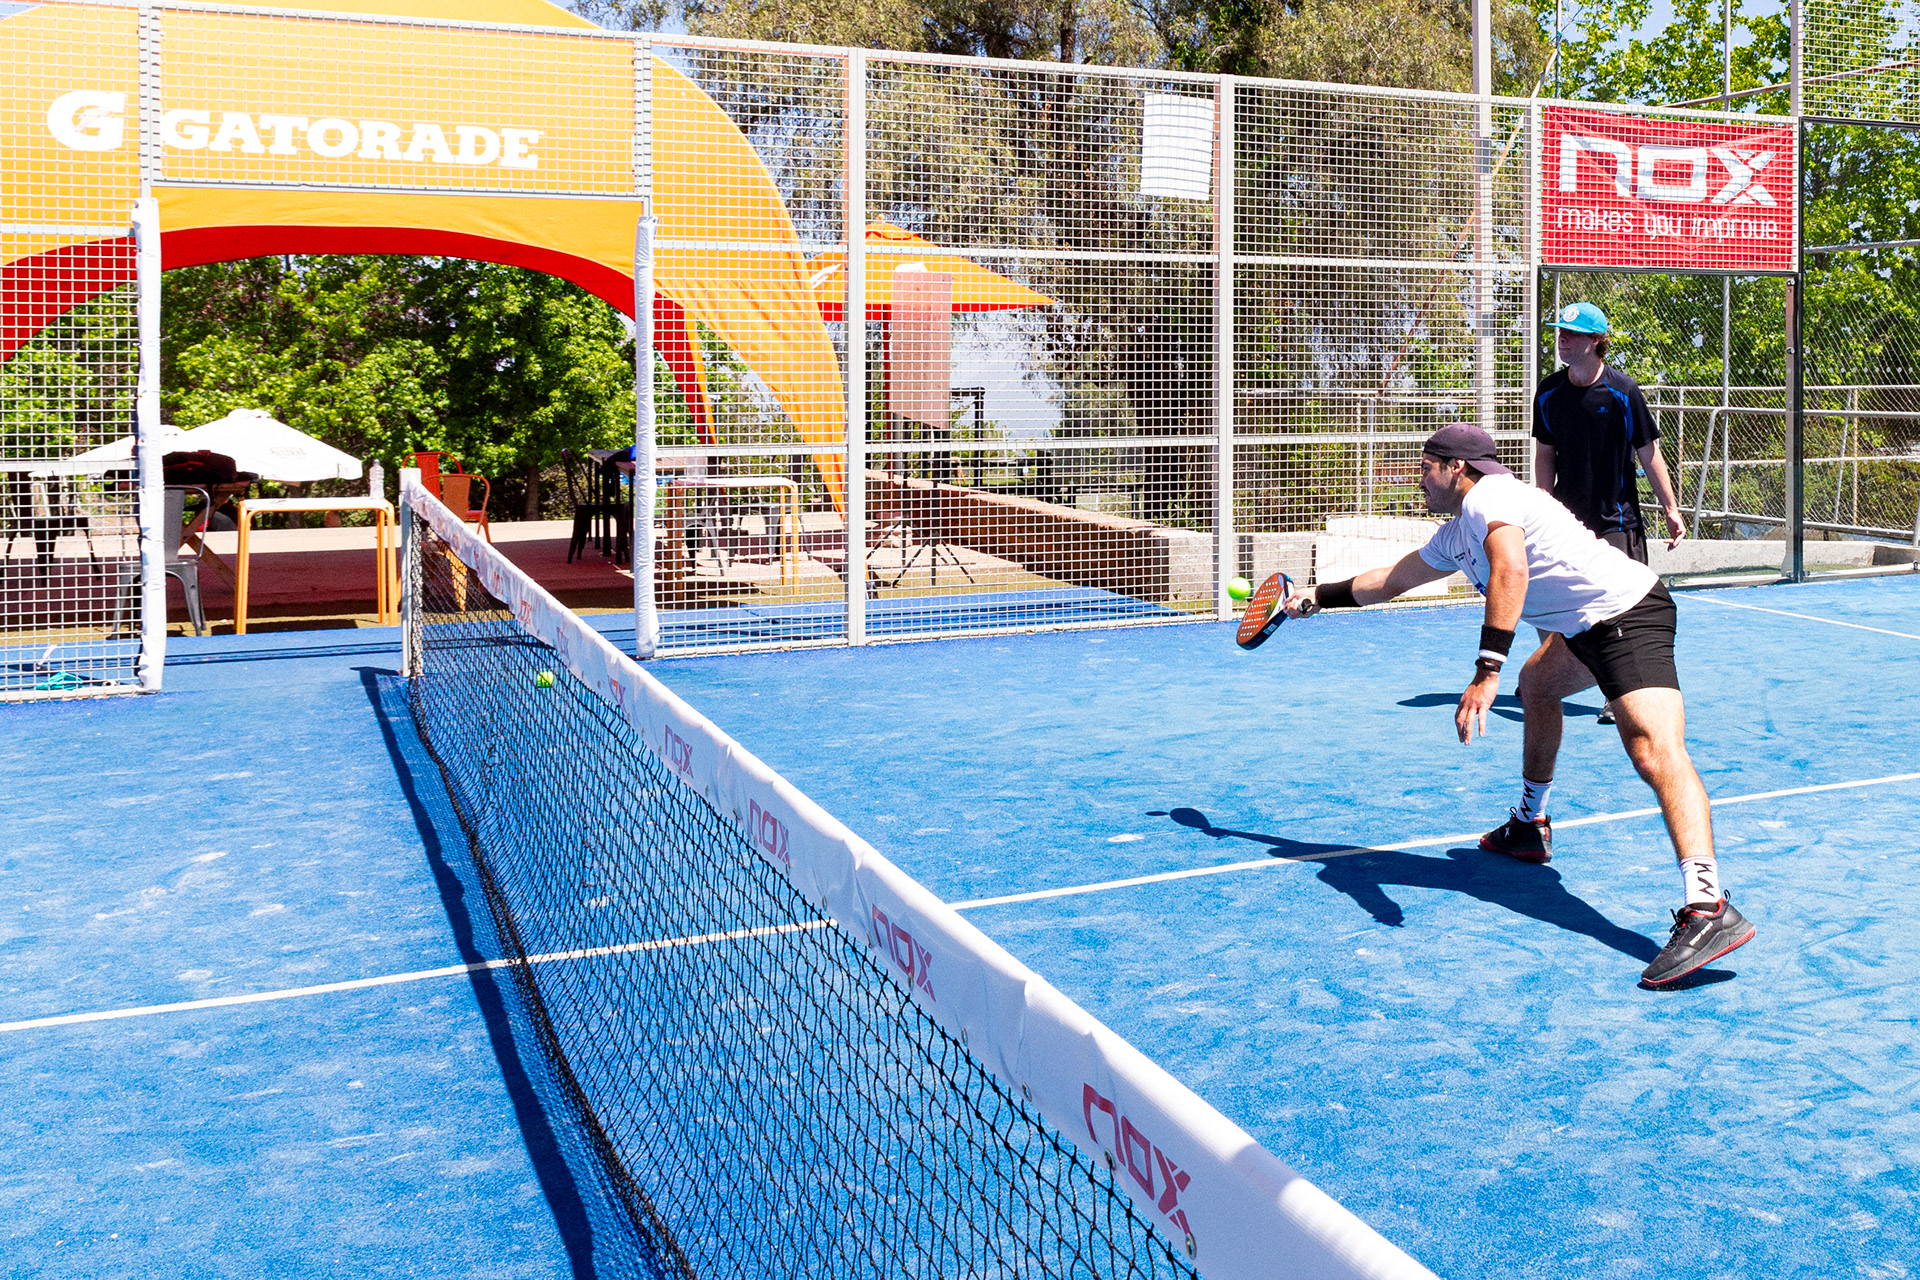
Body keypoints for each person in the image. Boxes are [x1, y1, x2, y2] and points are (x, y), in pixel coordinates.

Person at [1284, 423, 1754, 987]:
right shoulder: (1456, 533)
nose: (1419, 477)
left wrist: (1487, 670)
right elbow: (1389, 581)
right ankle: (1530, 825)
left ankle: (1707, 906)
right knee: (1538, 687)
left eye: (1426, 466)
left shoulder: (1493, 496)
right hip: (1583, 629)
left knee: (1655, 752)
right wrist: (1318, 595)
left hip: (1627, 614)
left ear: (1456, 467)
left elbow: (1511, 569)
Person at [1534, 302, 1687, 725]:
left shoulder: (1624, 391)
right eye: (1560, 332)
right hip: (1566, 522)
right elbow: (1545, 454)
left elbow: (1649, 453)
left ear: (1596, 341)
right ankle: (1552, 676)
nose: (1562, 339)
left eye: (1572, 334)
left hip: (1617, 522)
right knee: (1556, 602)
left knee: (1620, 613)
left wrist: (1671, 509)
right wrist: (1541, 505)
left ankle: (1617, 694)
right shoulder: (1548, 392)